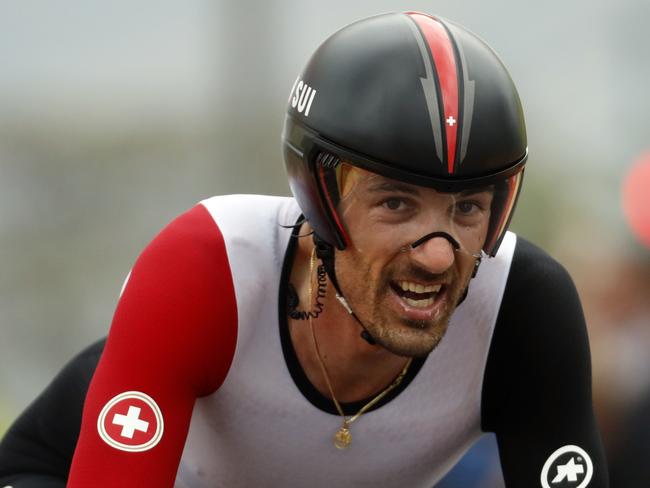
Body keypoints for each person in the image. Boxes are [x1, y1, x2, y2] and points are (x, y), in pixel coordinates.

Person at [0, 12, 608, 487]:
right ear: (321, 200)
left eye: (468, 208)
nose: (438, 256)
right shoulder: (207, 263)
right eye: (395, 204)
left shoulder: (524, 305)